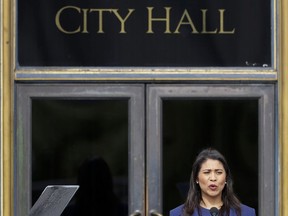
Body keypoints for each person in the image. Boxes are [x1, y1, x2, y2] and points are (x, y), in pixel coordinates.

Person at [170, 148, 256, 216]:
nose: (213, 178)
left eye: (219, 172)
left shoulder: (246, 213)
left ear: (226, 178)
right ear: (196, 178)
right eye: (207, 172)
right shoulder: (178, 214)